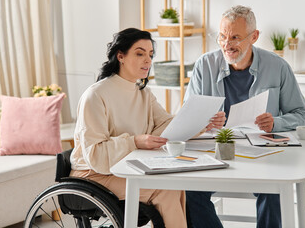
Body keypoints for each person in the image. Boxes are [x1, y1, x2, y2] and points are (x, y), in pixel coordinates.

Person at [69, 28, 224, 228]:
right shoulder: (95, 95)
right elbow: (95, 154)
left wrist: (203, 122)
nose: (148, 61)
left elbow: (166, 125)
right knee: (165, 189)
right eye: (140, 53)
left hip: (128, 168)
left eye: (150, 55)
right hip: (93, 175)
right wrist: (134, 142)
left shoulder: (143, 93)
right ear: (121, 56)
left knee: (175, 186)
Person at [184, 6, 305, 228]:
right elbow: (186, 117)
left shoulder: (278, 66)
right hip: (215, 153)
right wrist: (204, 122)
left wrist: (276, 122)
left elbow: (303, 116)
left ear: (254, 36)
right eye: (222, 36)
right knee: (188, 192)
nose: (227, 44)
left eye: (235, 37)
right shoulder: (204, 65)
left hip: (262, 154)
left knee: (274, 190)